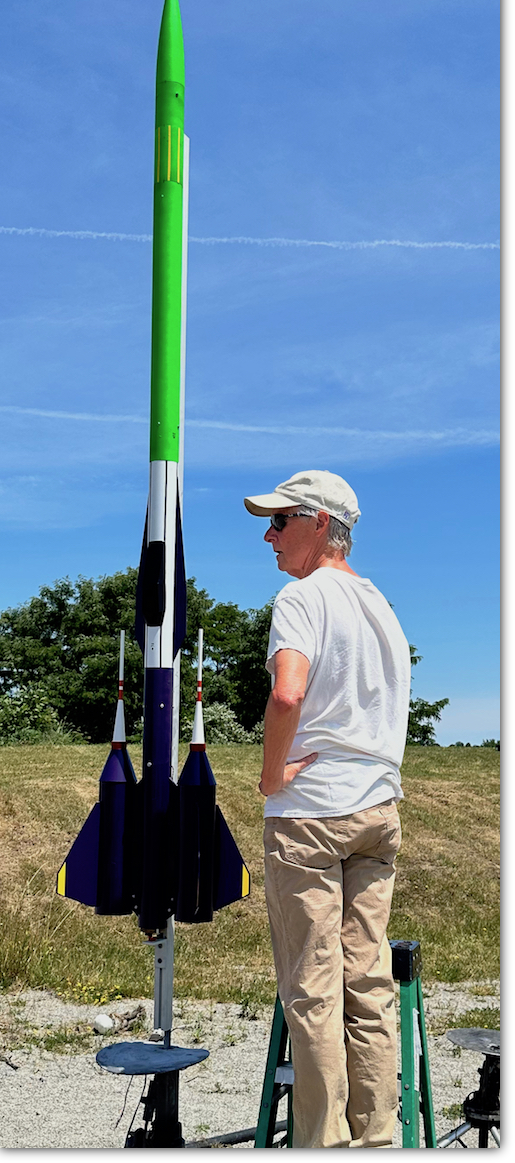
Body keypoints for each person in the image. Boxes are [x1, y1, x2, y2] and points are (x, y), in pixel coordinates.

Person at [244, 470, 410, 1150]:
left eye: (279, 521)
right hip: (378, 809)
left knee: (313, 987)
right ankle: (379, 1136)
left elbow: (287, 694)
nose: (269, 536)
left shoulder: (301, 596)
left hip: (310, 813)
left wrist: (270, 776)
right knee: (368, 982)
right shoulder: (382, 608)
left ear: (318, 522)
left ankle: (322, 1142)